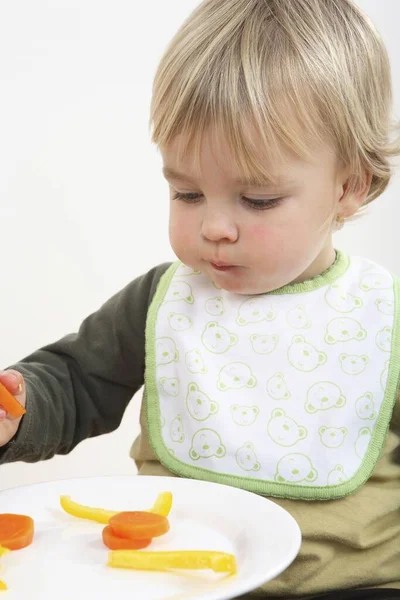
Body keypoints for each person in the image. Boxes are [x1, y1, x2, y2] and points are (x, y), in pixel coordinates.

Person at [1, 0, 399, 598]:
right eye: (187, 193)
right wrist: (19, 408)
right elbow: (76, 382)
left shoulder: (383, 315)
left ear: (349, 186)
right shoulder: (162, 301)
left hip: (356, 585)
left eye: (258, 200)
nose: (215, 226)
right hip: (175, 578)